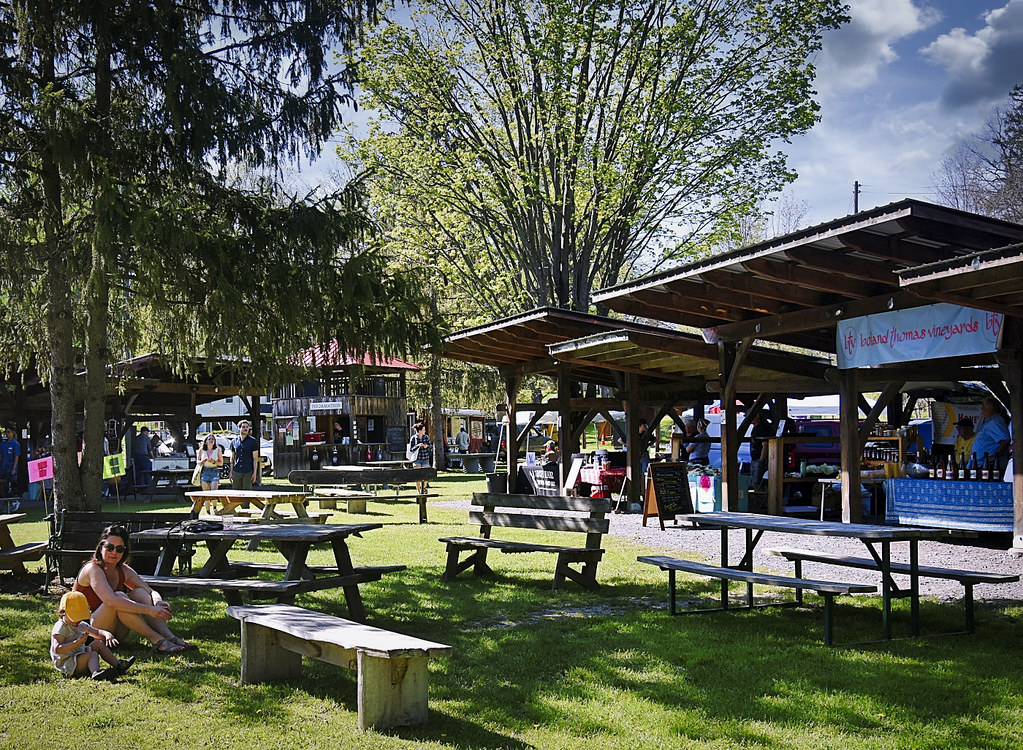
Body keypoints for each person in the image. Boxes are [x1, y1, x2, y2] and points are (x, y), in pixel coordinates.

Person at [73, 525, 192, 654]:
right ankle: (157, 640)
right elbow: (111, 601)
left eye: (119, 549)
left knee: (139, 593)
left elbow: (150, 591)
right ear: (101, 547)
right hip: (87, 633)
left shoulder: (123, 569)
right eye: (110, 547)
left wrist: (157, 602)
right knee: (119, 597)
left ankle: (169, 637)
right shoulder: (92, 569)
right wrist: (149, 610)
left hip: (113, 634)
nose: (114, 552)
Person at [51, 591, 134, 681]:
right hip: (68, 663)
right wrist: (77, 643)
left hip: (79, 654)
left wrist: (107, 634)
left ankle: (118, 665)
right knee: (92, 654)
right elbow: (57, 649)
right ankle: (95, 673)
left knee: (98, 644)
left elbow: (97, 633)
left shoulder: (80, 624)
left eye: (80, 616)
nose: (78, 620)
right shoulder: (61, 627)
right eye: (75, 617)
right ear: (63, 612)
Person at [972, 397, 1011, 472]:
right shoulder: (989, 421)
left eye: (983, 406)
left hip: (987, 465)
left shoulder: (995, 422)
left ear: (990, 408)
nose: (981, 409)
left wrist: (994, 456)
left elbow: (1005, 440)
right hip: (979, 463)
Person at [229, 420, 260, 490]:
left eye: (247, 427)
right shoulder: (234, 441)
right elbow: (232, 458)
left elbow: (255, 458)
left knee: (247, 493)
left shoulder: (253, 441)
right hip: (237, 470)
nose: (246, 429)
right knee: (235, 492)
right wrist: (231, 472)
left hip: (248, 471)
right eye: (243, 427)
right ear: (239, 428)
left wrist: (255, 473)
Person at [749, 410, 772, 491]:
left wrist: (761, 460)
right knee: (754, 482)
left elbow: (765, 445)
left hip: (759, 459)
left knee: (757, 482)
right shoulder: (755, 428)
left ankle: (762, 497)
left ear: (757, 416)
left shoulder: (762, 429)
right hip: (754, 458)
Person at [409, 422, 432, 495]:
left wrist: (426, 446)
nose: (425, 431)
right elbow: (411, 449)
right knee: (417, 476)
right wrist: (418, 446)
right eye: (423, 429)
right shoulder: (413, 438)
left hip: (425, 458)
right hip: (417, 459)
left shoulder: (426, 437)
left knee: (425, 475)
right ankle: (418, 491)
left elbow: (430, 447)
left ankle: (424, 488)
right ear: (420, 430)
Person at [1, 426, 21, 502]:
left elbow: (16, 456)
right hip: (3, 466)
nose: (7, 434)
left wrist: (14, 468)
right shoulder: (3, 443)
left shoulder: (15, 444)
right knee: (3, 484)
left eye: (9, 432)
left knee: (8, 484)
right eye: (6, 432)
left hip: (10, 466)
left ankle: (10, 500)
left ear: (13, 433)